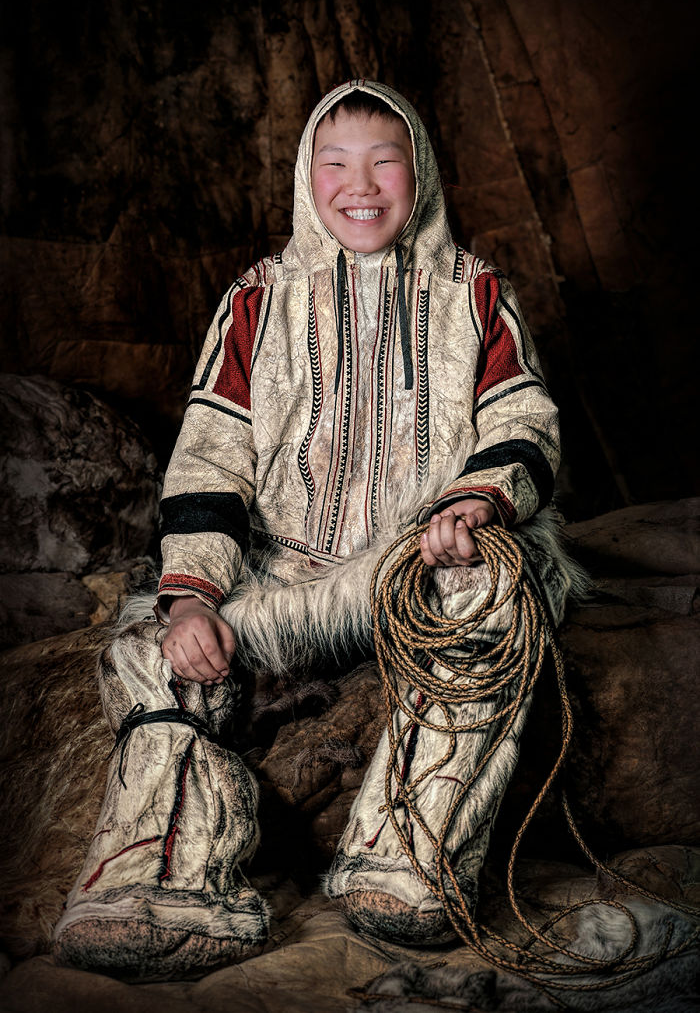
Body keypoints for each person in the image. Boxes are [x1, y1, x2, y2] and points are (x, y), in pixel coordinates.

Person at [52, 79, 572, 982]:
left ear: (423, 176)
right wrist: (192, 595)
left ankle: (408, 863)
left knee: (496, 585)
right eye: (334, 163)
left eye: (384, 161)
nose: (359, 184)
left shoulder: (475, 290)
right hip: (285, 573)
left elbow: (520, 420)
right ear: (306, 177)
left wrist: (474, 505)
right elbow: (210, 460)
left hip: (420, 554)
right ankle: (160, 885)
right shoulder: (260, 297)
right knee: (152, 653)